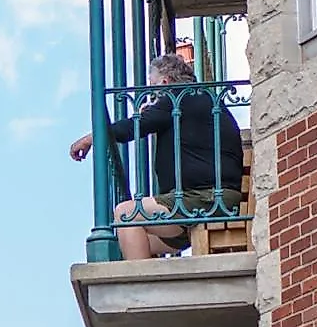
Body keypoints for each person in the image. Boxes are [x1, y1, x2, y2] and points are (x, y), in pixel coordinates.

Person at [69, 54, 246, 260]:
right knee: (135, 241)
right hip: (203, 202)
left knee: (126, 214)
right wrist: (154, 112)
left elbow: (134, 127)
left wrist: (92, 138)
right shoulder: (200, 99)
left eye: (152, 86)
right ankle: (141, 284)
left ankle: (140, 289)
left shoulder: (178, 97)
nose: (151, 94)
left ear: (165, 82)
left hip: (205, 200)